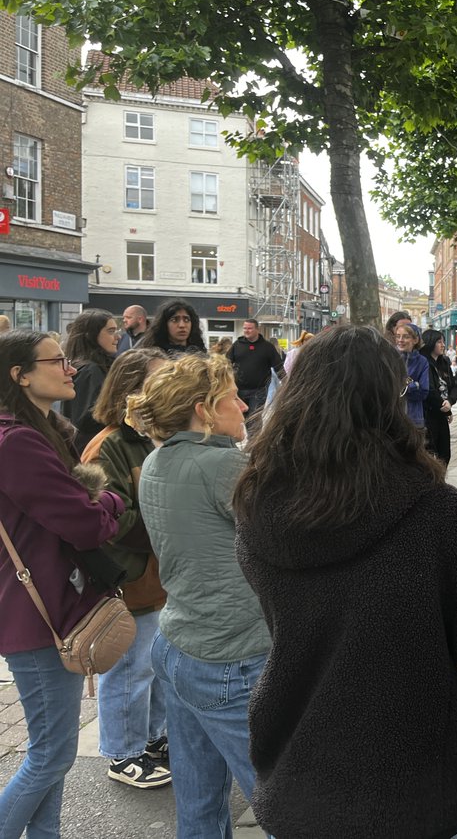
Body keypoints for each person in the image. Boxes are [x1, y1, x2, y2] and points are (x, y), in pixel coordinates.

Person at [233, 326, 457, 839]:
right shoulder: (442, 515)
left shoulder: (257, 505)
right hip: (417, 777)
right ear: (387, 400)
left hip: (300, 765)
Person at [127, 355, 268, 839]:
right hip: (232, 656)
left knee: (200, 805)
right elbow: (287, 539)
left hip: (178, 645)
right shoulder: (223, 463)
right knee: (286, 804)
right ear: (204, 410)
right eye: (232, 397)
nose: (244, 408)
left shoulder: (156, 460)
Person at [0, 330, 126, 837]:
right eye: (58, 361)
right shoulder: (18, 442)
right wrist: (112, 500)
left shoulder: (44, 430)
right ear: (20, 375)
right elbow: (87, 523)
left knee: (51, 754)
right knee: (51, 755)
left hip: (48, 604)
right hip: (37, 612)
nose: (70, 369)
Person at [79, 347, 172, 790]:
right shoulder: (109, 444)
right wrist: (171, 533)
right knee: (130, 669)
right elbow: (110, 518)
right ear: (131, 389)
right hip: (130, 579)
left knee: (152, 667)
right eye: (158, 380)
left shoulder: (152, 438)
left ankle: (150, 739)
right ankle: (123, 753)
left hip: (157, 577)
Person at [61, 309, 121, 452]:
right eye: (111, 331)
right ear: (91, 335)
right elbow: (85, 419)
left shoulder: (96, 366)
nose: (118, 337)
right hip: (91, 448)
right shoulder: (89, 369)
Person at [228, 319, 285, 417]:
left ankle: (254, 433)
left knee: (254, 420)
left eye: (250, 328)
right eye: (245, 328)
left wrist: (286, 382)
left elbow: (278, 367)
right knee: (240, 418)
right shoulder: (237, 345)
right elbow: (226, 363)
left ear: (257, 330)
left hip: (259, 391)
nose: (246, 330)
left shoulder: (267, 347)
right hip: (239, 390)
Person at [420, 328, 456, 464]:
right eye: (439, 342)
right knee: (429, 454)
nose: (443, 345)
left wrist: (450, 402)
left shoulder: (444, 362)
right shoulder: (423, 362)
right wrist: (445, 406)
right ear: (430, 343)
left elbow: (453, 385)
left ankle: (440, 483)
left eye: (443, 342)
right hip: (428, 414)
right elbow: (429, 390)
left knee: (444, 454)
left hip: (443, 413)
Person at [139, 298, 206, 356]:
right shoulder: (154, 355)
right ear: (164, 324)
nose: (182, 325)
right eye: (174, 320)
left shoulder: (199, 354)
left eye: (186, 320)